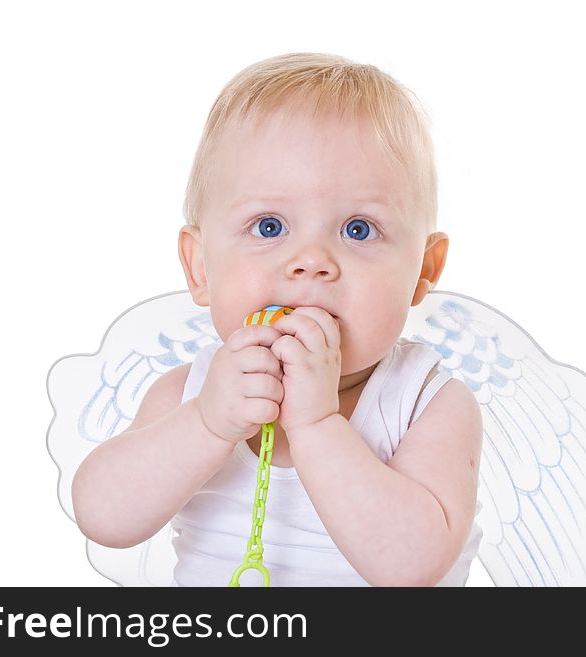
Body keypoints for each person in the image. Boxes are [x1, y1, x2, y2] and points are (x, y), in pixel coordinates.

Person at [72, 52, 484, 586]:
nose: (311, 260)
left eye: (358, 229)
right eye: (269, 226)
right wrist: (206, 422)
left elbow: (411, 566)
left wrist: (316, 426)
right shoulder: (187, 395)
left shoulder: (429, 404)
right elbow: (103, 518)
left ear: (422, 271)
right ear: (200, 267)